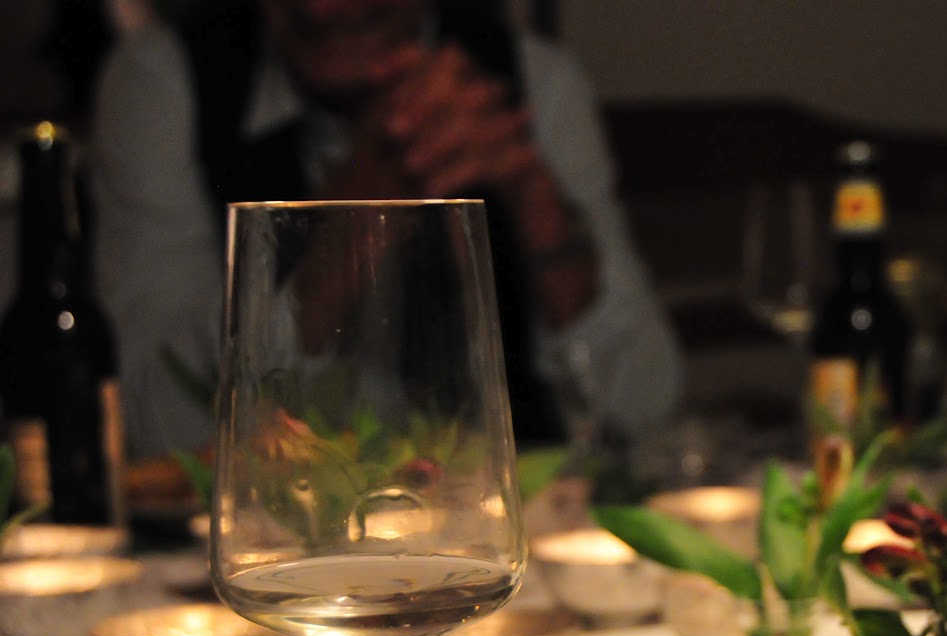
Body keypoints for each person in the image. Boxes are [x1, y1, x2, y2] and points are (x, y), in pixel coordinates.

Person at [90, 0, 683, 459]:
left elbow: (645, 410)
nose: (323, 9)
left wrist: (538, 205)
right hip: (280, 555)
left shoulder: (532, 79)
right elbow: (158, 435)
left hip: (514, 540)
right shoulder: (164, 83)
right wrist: (359, 207)